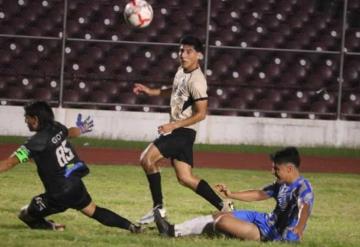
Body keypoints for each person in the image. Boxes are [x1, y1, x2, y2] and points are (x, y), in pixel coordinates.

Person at [133, 35, 232, 224]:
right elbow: (174, 90)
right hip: (180, 131)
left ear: (199, 55)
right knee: (185, 178)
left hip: (182, 132)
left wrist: (173, 125)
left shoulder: (197, 81)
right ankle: (224, 206)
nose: (183, 55)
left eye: (189, 51)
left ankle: (158, 210)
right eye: (181, 50)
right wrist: (150, 91)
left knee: (146, 159)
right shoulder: (181, 70)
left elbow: (201, 114)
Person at [0, 101, 141, 233]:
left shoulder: (34, 143)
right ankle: (131, 226)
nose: (26, 121)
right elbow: (71, 132)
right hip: (75, 184)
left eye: (27, 118)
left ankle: (51, 227)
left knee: (25, 213)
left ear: (35, 119)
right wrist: (81, 129)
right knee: (95, 211)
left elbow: (9, 162)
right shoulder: (57, 127)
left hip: (58, 194)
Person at [154, 147, 314, 242]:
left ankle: (227, 232)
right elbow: (259, 194)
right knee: (219, 215)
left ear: (289, 169)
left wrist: (299, 227)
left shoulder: (303, 187)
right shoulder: (282, 184)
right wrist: (231, 194)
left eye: (276, 169)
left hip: (272, 233)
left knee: (223, 222)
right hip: (265, 220)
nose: (273, 172)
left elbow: (305, 207)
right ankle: (172, 230)